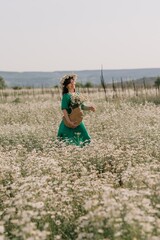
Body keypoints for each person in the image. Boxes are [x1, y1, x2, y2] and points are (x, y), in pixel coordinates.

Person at [57, 74, 95, 146]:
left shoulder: (77, 94)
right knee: (68, 139)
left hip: (77, 120)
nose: (72, 84)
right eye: (70, 83)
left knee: (84, 136)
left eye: (73, 82)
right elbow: (64, 110)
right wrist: (69, 121)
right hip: (68, 121)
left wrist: (89, 107)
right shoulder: (66, 96)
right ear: (66, 85)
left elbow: (82, 107)